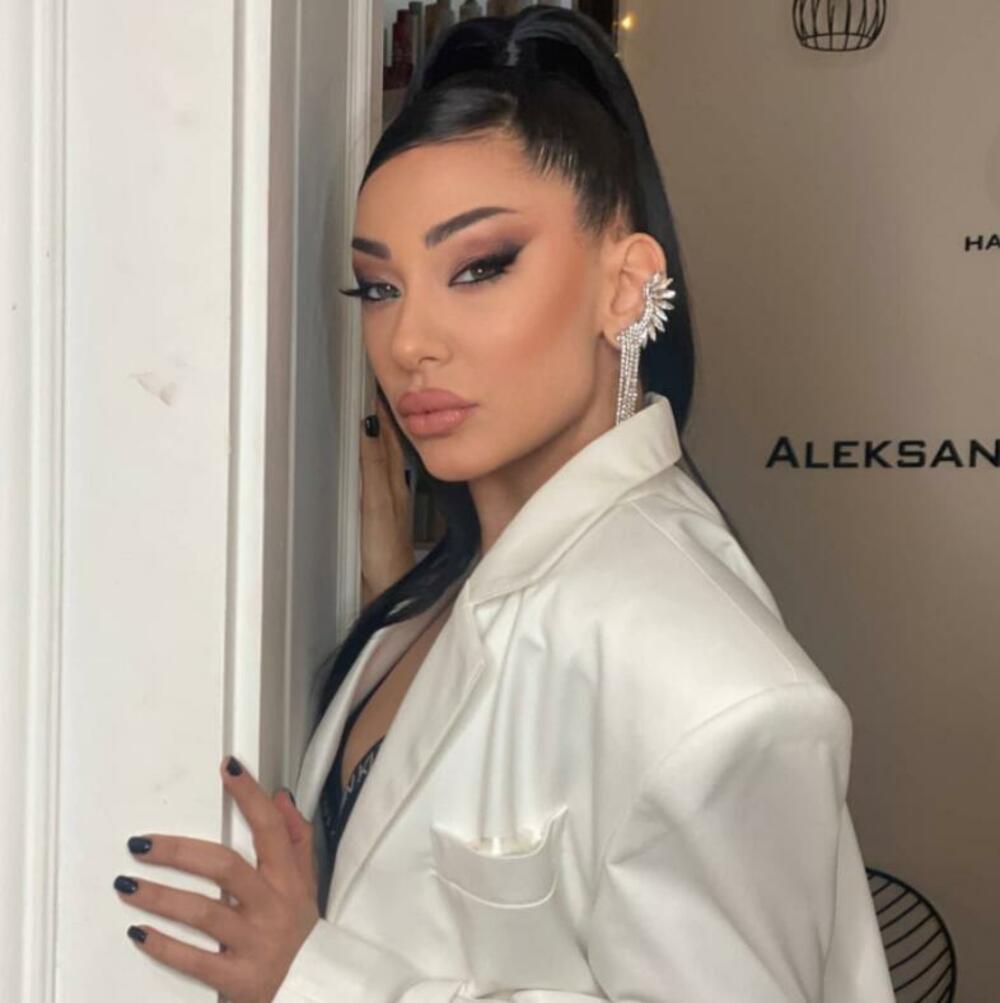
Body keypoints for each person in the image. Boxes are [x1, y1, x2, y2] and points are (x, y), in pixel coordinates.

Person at [114, 7, 896, 1001]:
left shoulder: (720, 692)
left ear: (626, 285)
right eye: (378, 287)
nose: (409, 342)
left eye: (479, 267)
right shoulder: (436, 599)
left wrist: (315, 978)